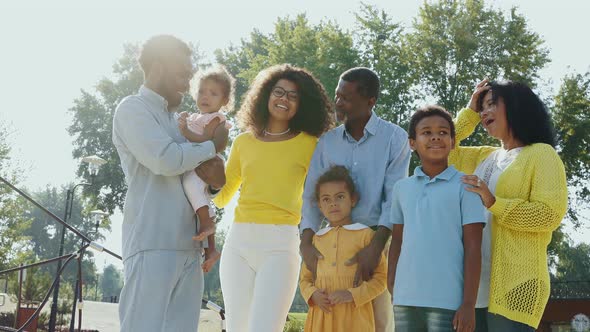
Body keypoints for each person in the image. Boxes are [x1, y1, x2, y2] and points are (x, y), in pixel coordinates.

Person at [112, 35, 228, 332]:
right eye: (183, 74)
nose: (188, 82)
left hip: (191, 250)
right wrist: (212, 147)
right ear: (159, 67)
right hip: (152, 244)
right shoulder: (132, 109)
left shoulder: (182, 121)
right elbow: (165, 160)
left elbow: (205, 175)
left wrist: (216, 182)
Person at [212, 64, 333, 332]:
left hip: (281, 245)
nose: (284, 99)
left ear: (301, 105)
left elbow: (319, 200)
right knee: (236, 327)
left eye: (293, 96)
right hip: (238, 243)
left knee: (265, 328)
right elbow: (221, 198)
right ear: (265, 95)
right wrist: (207, 170)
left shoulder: (310, 144)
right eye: (279, 92)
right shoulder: (243, 142)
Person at [449, 80, 568, 331]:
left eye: (491, 104)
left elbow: (548, 214)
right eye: (482, 107)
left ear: (515, 106)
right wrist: (469, 112)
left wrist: (493, 202)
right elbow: (443, 148)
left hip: (518, 284)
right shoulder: (485, 156)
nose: (484, 112)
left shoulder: (542, 154)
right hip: (476, 286)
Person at [300, 67, 411, 332]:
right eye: (337, 96)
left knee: (378, 321)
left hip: (375, 240)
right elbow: (310, 196)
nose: (338, 103)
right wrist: (306, 242)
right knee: (330, 315)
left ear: (370, 101)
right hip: (332, 243)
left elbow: (394, 197)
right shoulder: (327, 142)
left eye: (346, 98)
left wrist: (376, 247)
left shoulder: (394, 138)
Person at [388, 105, 486, 332]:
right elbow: (397, 241)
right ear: (412, 143)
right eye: (426, 132)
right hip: (404, 301)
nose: (435, 137)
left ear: (452, 141)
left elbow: (473, 247)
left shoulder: (467, 185)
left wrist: (469, 304)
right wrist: (392, 283)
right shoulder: (401, 188)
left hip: (447, 302)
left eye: (443, 133)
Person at [300, 165, 387, 332]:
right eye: (326, 199)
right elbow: (305, 279)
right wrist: (313, 294)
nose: (333, 203)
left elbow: (380, 279)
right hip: (322, 316)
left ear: (352, 199)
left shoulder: (366, 235)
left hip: (354, 316)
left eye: (339, 197)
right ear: (319, 205)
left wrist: (352, 295)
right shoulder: (316, 240)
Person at [178, 65, 234, 273]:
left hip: (206, 165)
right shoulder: (195, 117)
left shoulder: (216, 120)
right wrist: (184, 123)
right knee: (203, 200)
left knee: (191, 186)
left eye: (213, 93)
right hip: (195, 164)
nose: (205, 96)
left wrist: (185, 131)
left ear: (224, 101)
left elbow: (206, 143)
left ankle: (206, 225)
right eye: (201, 91)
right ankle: (211, 249)